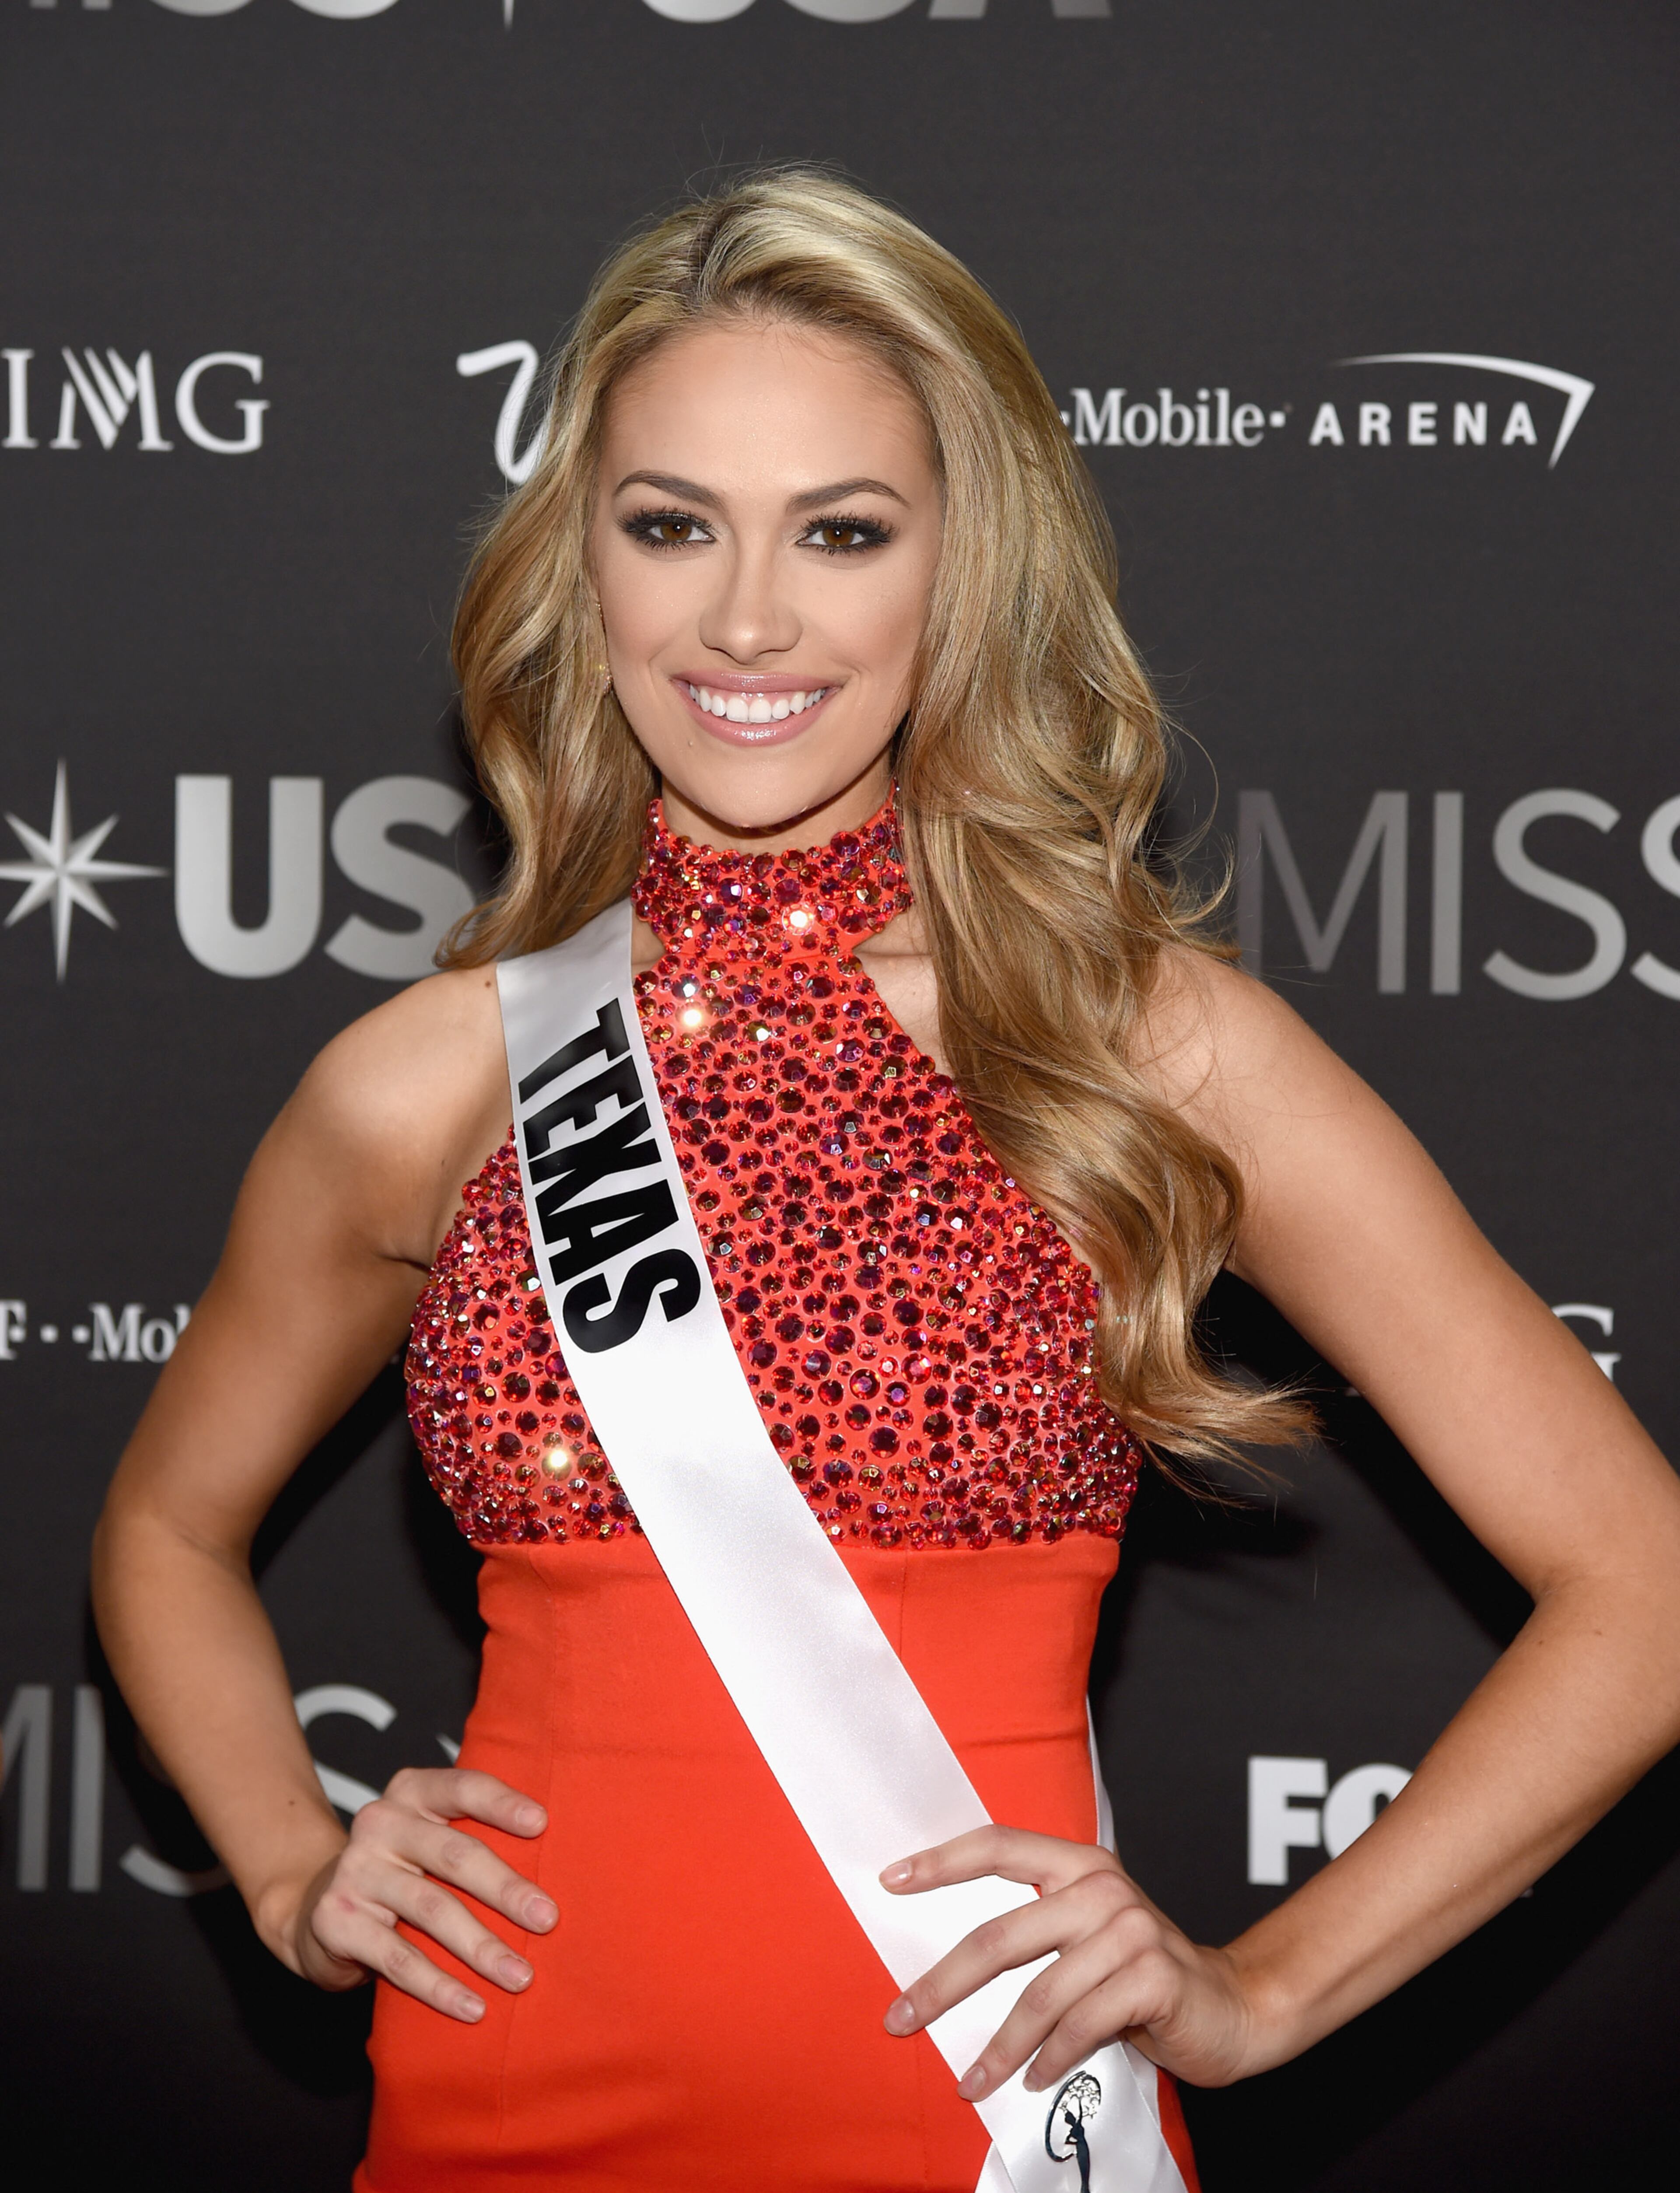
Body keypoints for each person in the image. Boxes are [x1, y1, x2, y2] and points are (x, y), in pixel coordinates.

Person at [93, 169, 1680, 2193]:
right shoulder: (432, 1081)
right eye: (672, 527)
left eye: (842, 534)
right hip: (503, 2097)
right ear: (582, 566)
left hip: (982, 2117)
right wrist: (298, 1871)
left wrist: (1264, 1993)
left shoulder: (1136, 1042)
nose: (747, 620)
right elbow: (162, 1525)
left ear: (966, 568)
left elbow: (1644, 1588)